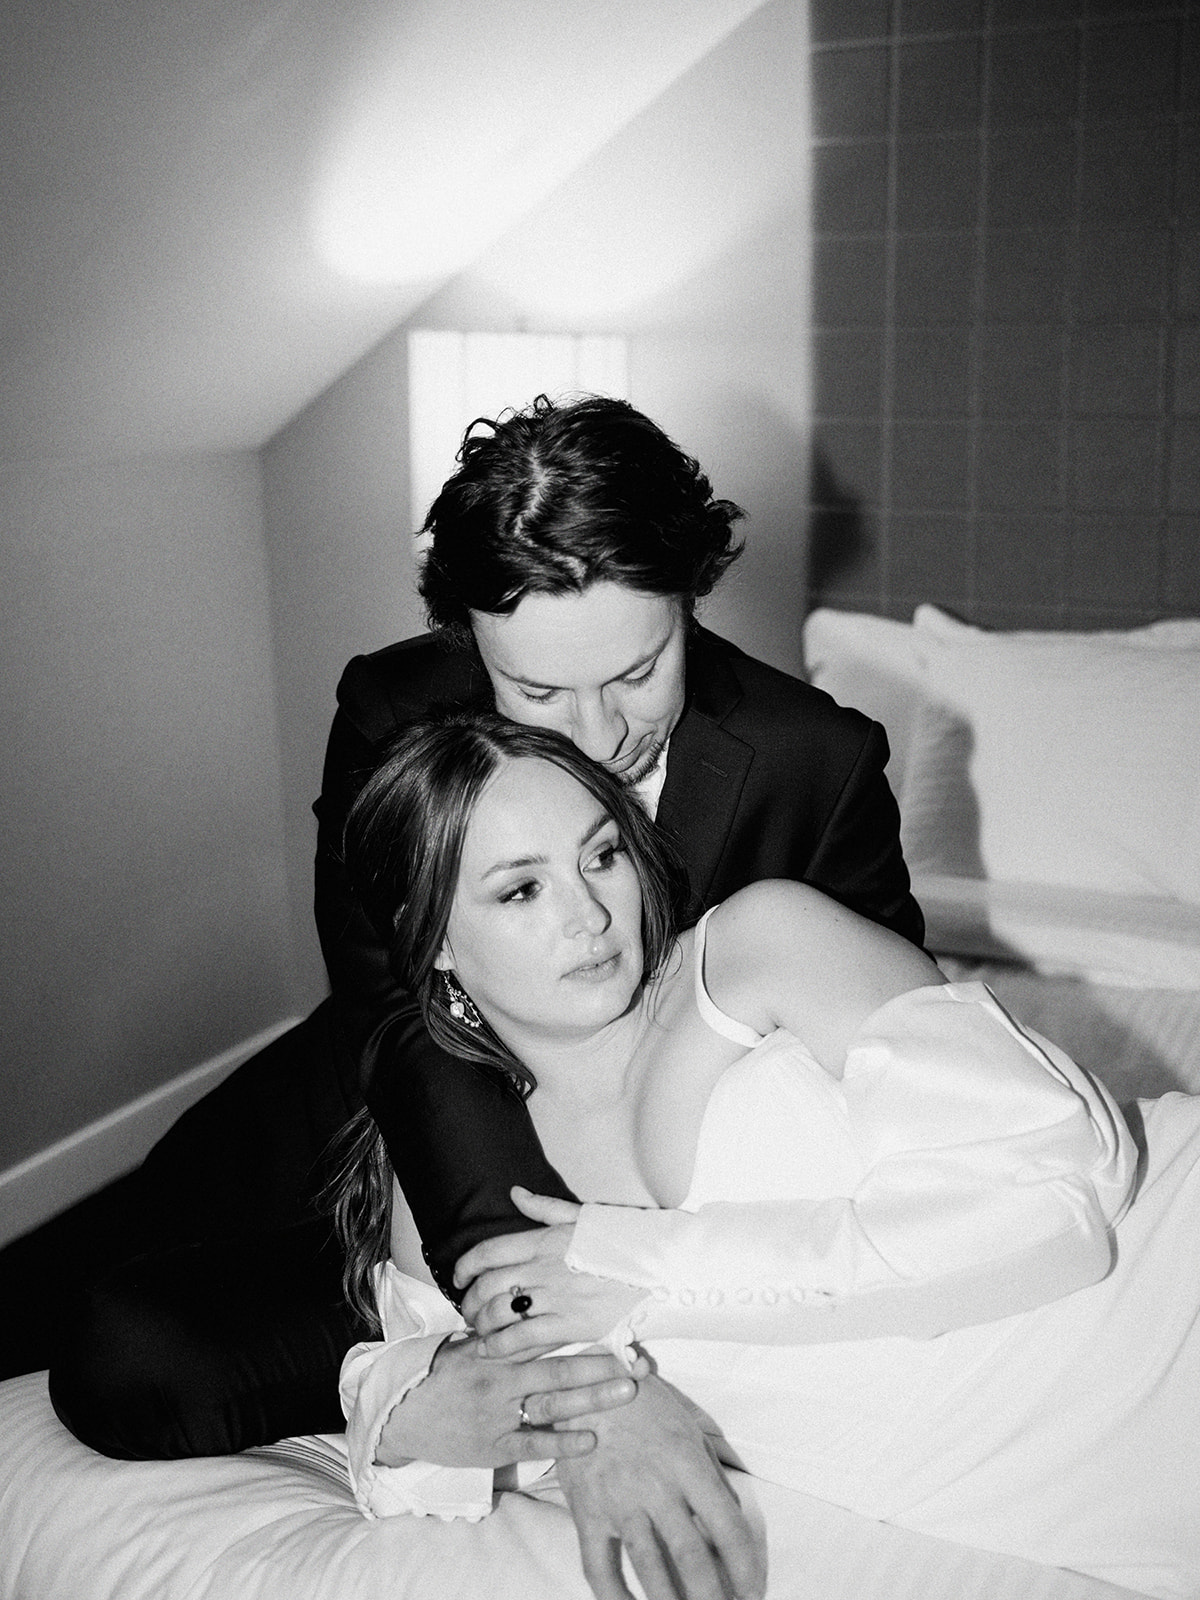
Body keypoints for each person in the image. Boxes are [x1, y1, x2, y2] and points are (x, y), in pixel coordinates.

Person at [46, 395, 921, 1596]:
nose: (599, 734)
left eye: (637, 670)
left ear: (690, 595)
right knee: (77, 1309)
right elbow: (393, 1015)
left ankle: (402, 1384)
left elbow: (883, 1066)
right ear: (468, 637)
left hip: (608, 1200)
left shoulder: (818, 759)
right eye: (538, 694)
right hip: (376, 1114)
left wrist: (559, 1345)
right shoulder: (393, 704)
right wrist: (560, 1348)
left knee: (139, 1360)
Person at [335, 709, 1199, 1600]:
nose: (590, 915)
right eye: (522, 891)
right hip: (1068, 1504)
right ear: (433, 936)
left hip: (1166, 1293)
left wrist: (654, 1275)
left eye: (601, 857)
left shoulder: (759, 946)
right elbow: (423, 1409)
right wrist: (416, 1415)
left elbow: (1055, 1209)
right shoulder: (447, 1179)